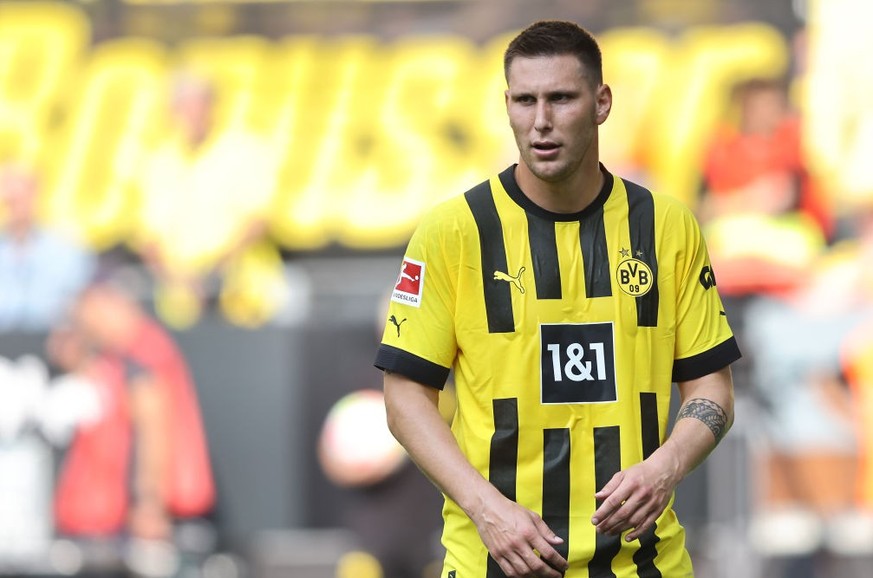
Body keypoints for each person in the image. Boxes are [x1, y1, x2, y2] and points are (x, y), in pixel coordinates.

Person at [374, 20, 741, 578]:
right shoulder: (453, 232)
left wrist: (668, 464)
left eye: (561, 99)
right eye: (525, 101)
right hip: (493, 562)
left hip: (644, 565)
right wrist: (486, 509)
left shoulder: (667, 228)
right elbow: (404, 399)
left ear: (602, 103)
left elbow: (711, 384)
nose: (540, 121)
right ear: (507, 105)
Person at [0, 161, 95, 332]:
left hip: (50, 347)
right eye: (8, 201)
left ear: (34, 195)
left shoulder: (68, 251)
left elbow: (80, 309)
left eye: (19, 199)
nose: (12, 209)